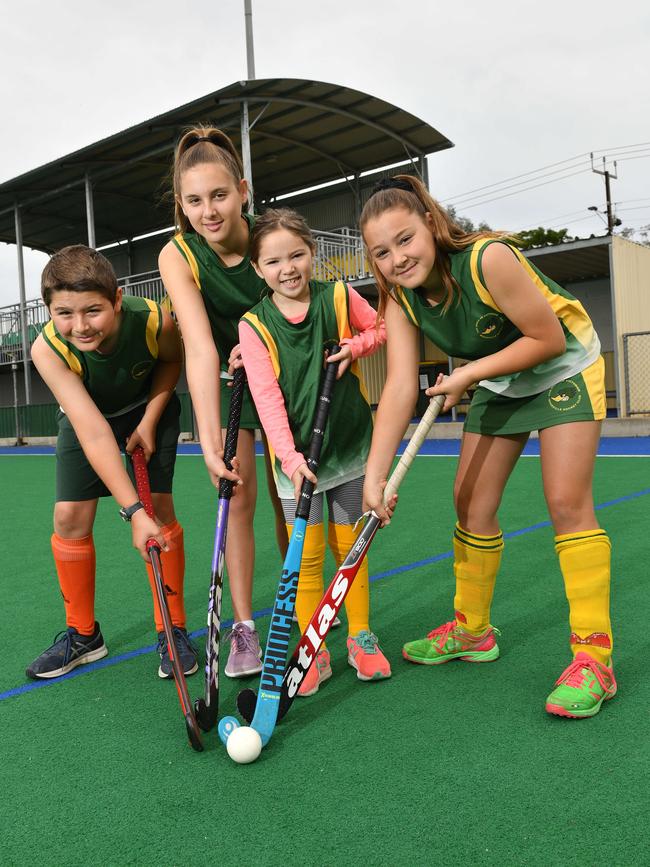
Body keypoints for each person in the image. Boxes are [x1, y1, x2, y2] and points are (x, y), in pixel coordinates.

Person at [360, 175, 615, 719]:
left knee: (566, 502)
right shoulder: (400, 297)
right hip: (501, 381)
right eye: (382, 252)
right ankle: (473, 632)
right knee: (470, 502)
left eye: (405, 240)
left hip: (565, 364)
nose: (397, 259)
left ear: (430, 224)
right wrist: (374, 477)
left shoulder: (488, 259)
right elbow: (401, 387)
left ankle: (594, 658)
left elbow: (545, 338)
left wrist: (469, 373)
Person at [238, 208, 391, 696]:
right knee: (304, 559)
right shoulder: (254, 325)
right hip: (297, 461)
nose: (289, 268)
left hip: (348, 447)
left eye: (298, 255)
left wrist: (357, 348)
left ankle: (361, 635)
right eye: (274, 261)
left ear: (312, 253)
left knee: (352, 548)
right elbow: (266, 398)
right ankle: (313, 647)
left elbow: (383, 329)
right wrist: (289, 458)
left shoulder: (339, 296)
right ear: (258, 269)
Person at [27, 245, 197, 681]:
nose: (79, 326)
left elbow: (172, 362)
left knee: (159, 511)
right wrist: (132, 512)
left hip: (148, 408)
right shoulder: (47, 350)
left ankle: (172, 629)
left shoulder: (154, 320)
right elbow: (93, 432)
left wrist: (150, 419)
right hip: (88, 418)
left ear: (117, 300)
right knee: (68, 518)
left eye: (93, 311)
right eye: (64, 313)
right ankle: (84, 636)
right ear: (48, 310)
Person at [158, 126, 287, 678]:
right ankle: (244, 630)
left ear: (243, 190)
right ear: (181, 206)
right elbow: (200, 346)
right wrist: (209, 441)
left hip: (287, 376)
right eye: (193, 201)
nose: (208, 211)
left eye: (218, 196)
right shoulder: (178, 253)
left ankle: (297, 616)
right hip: (231, 381)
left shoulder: (270, 237)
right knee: (237, 498)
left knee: (293, 498)